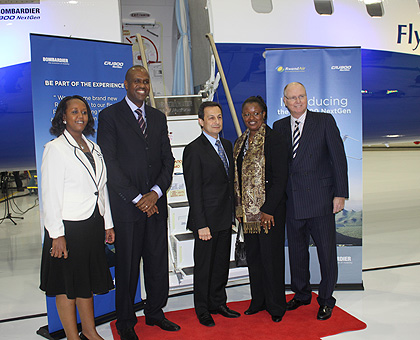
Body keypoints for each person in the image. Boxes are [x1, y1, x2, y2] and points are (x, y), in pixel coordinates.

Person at [97, 65, 179, 340]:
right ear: (126, 84)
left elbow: (168, 160)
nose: (142, 85)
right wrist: (137, 198)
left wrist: (155, 193)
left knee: (156, 264)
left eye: (145, 81)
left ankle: (155, 313)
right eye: (136, 81)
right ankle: (125, 322)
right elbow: (110, 164)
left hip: (154, 206)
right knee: (128, 267)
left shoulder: (157, 117)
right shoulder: (109, 116)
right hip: (127, 208)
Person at [40, 95, 115, 340]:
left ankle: (90, 332)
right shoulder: (55, 148)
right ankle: (73, 336)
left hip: (92, 223)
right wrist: (56, 235)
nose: (80, 116)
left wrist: (107, 223)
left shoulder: (94, 147)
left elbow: (101, 188)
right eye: (74, 112)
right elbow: (50, 194)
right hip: (67, 227)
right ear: (63, 117)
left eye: (84, 111)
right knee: (66, 284)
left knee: (86, 281)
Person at [273, 82, 349, 321]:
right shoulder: (279, 127)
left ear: (307, 98)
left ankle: (326, 299)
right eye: (292, 98)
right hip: (292, 201)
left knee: (326, 254)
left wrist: (340, 194)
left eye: (301, 96)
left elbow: (339, 159)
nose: (297, 101)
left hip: (321, 201)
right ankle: (302, 293)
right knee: (296, 253)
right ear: (284, 101)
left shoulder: (324, 121)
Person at [183, 101, 240, 327]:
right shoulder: (193, 149)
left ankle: (218, 302)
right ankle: (203, 309)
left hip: (225, 218)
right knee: (204, 266)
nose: (216, 121)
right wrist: (201, 224)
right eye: (211, 118)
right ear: (201, 122)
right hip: (206, 221)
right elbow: (193, 190)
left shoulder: (226, 145)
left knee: (221, 265)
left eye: (219, 117)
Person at [233, 96, 288, 323]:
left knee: (271, 259)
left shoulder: (275, 139)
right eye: (247, 114)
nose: (251, 118)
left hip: (269, 214)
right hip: (248, 215)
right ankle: (258, 301)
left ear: (264, 114)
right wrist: (239, 208)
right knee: (254, 258)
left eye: (256, 113)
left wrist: (268, 209)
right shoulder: (240, 142)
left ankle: (276, 306)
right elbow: (236, 178)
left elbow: (280, 178)